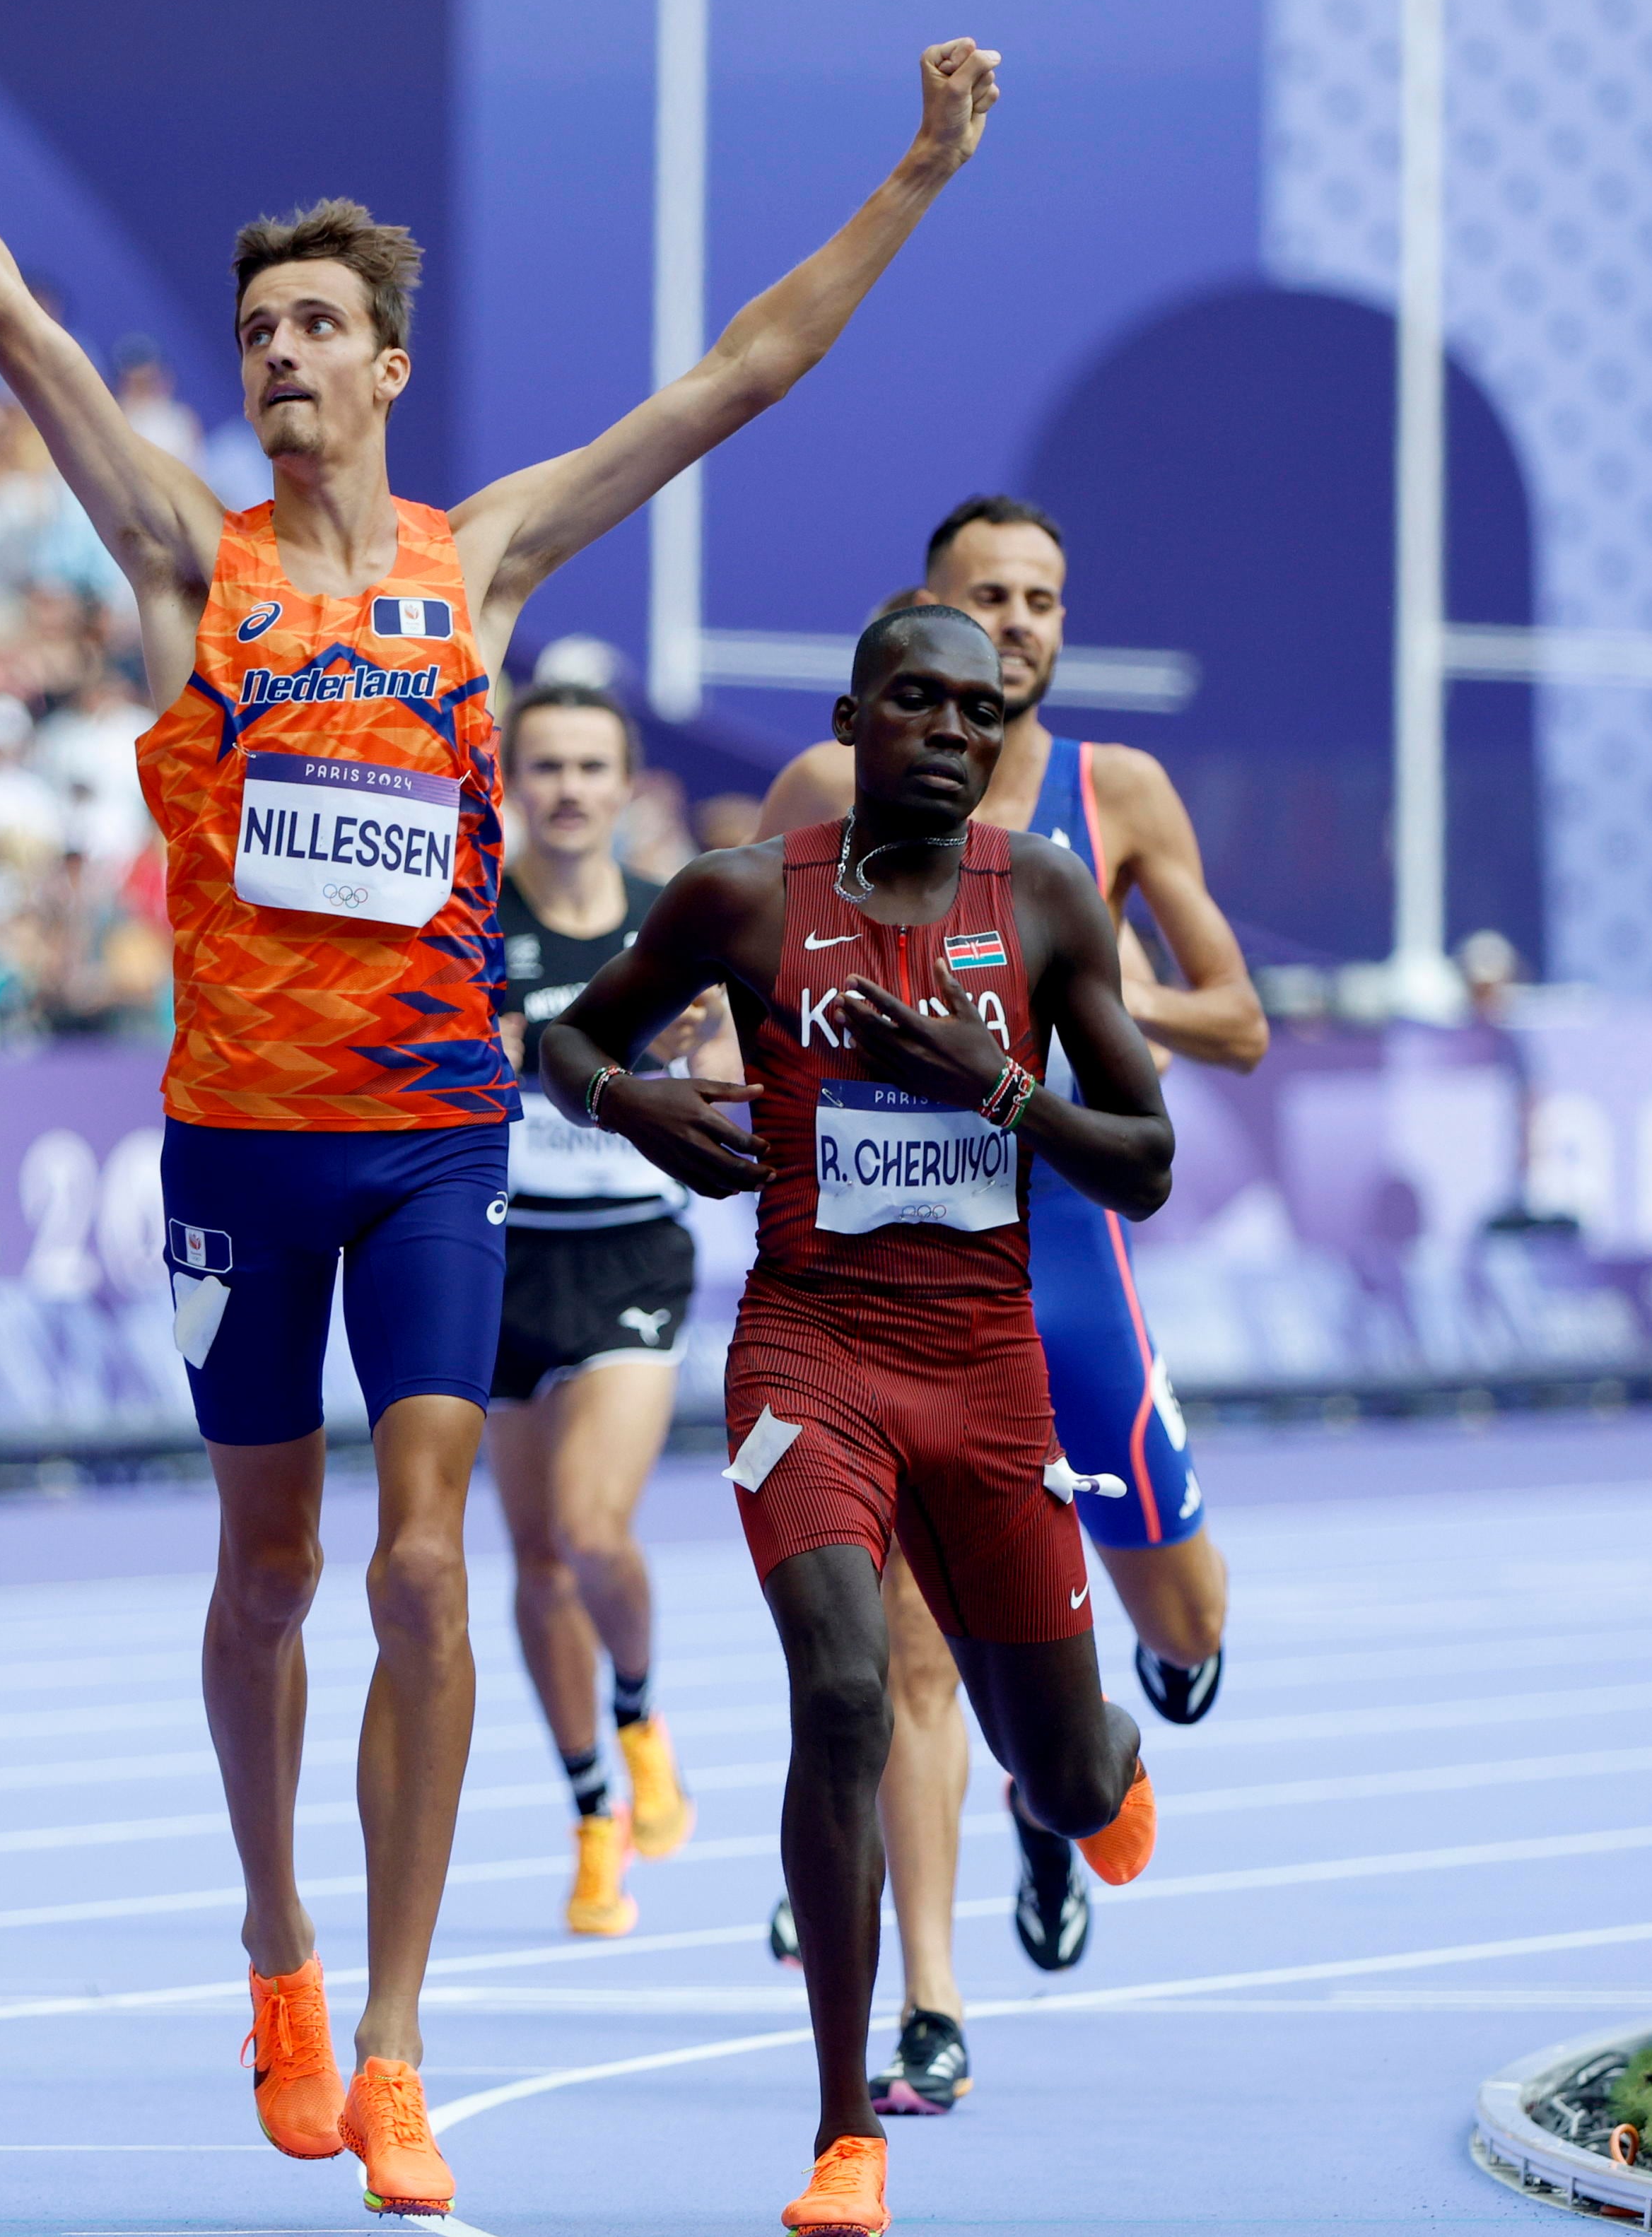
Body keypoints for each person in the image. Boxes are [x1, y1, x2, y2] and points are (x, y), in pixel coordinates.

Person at [0, 0, 999, 2217]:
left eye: (315, 326)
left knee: (428, 1572)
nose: (277, 357)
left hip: (437, 1140)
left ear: (390, 364)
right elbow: (12, 321)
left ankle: (406, 2037)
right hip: (242, 1151)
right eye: (254, 332)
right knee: (270, 1575)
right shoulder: (183, 557)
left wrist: (917, 169)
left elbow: (737, 375)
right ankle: (277, 1945)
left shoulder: (485, 558)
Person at [541, 604, 1168, 2232]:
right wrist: (635, 1102)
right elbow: (565, 1035)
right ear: (852, 718)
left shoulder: (1036, 898)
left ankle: (1098, 1774)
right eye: (919, 702)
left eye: (982, 708)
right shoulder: (746, 894)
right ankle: (843, 2129)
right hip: (808, 1351)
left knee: (1063, 1769)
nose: (954, 731)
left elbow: (1148, 1158)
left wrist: (1002, 1092)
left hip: (985, 1370)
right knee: (841, 1687)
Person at [754, 500, 1265, 2106]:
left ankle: (1083, 1751)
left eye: (1045, 598)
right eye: (992, 597)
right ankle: (934, 2001)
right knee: (907, 1649)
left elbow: (1238, 1021)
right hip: (897, 1281)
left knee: (1176, 1619)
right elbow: (740, 980)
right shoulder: (826, 794)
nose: (1024, 624)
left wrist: (1078, 1002)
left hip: (1066, 1264)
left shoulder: (1117, 797)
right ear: (929, 615)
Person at [486, 681, 714, 1937]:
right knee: (529, 1561)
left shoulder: (670, 927)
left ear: (629, 788)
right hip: (502, 1255)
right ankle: (591, 1814)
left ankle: (639, 1712)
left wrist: (694, 1051)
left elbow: (730, 1074)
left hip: (629, 1250)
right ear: (516, 783)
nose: (571, 787)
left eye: (593, 766)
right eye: (549, 766)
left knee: (589, 1529)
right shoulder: (477, 920)